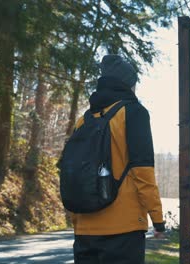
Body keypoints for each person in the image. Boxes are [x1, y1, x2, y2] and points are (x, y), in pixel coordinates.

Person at [71, 54, 165, 264]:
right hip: (124, 230)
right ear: (128, 85)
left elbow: (73, 174)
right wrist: (157, 220)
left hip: (85, 231)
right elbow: (142, 173)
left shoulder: (83, 120)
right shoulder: (134, 113)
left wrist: (77, 221)